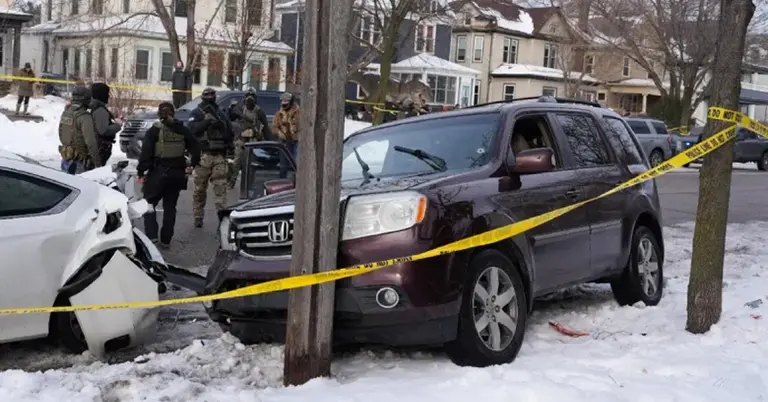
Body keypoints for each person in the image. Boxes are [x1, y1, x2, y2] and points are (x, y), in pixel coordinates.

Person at [137, 102, 200, 248]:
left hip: (158, 172)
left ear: (159, 114)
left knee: (149, 204)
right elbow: (196, 147)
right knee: (170, 206)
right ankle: (166, 240)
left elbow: (146, 153)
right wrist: (192, 165)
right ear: (173, 113)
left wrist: (141, 171)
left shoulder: (154, 131)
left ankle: (152, 236)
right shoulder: (182, 129)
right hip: (177, 173)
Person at [188, 88, 234, 228]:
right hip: (203, 156)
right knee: (199, 190)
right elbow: (192, 130)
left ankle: (222, 219)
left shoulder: (220, 113)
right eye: (207, 96)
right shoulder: (197, 113)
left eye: (212, 96)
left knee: (221, 190)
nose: (210, 98)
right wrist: (207, 122)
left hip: (219, 156)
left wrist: (220, 125)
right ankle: (198, 217)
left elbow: (229, 133)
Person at [228, 88, 271, 188]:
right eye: (248, 96)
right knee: (236, 163)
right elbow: (231, 117)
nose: (250, 98)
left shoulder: (259, 111)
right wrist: (231, 109)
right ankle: (231, 182)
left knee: (251, 165)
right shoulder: (240, 108)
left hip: (253, 141)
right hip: (241, 139)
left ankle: (249, 185)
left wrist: (268, 142)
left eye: (252, 96)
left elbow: (265, 127)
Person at [58, 86, 102, 174]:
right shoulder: (84, 116)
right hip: (79, 162)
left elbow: (60, 132)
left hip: (66, 158)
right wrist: (97, 163)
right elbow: (91, 142)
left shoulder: (66, 113)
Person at [90, 82, 123, 165]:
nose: (108, 96)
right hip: (100, 147)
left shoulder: (91, 106)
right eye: (107, 93)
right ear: (102, 94)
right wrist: (118, 125)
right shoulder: (100, 110)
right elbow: (103, 131)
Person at [272, 92, 300, 179]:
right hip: (284, 142)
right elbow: (274, 127)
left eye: (286, 101)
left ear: (291, 102)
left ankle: (297, 182)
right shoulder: (279, 114)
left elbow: (304, 127)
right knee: (283, 166)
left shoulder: (299, 112)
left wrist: (297, 134)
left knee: (296, 164)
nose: (284, 103)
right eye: (282, 101)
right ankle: (282, 182)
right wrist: (279, 132)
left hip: (296, 142)